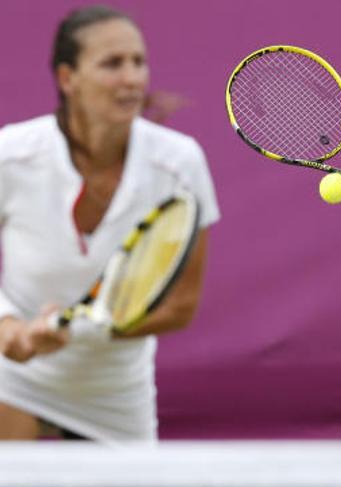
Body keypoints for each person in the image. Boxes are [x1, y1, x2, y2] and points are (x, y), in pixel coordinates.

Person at [0, 5, 220, 443]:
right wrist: (10, 329)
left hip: (116, 391)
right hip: (16, 380)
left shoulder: (179, 163)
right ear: (68, 79)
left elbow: (181, 306)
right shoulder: (11, 154)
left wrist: (87, 324)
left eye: (139, 62)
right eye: (112, 64)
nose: (132, 78)